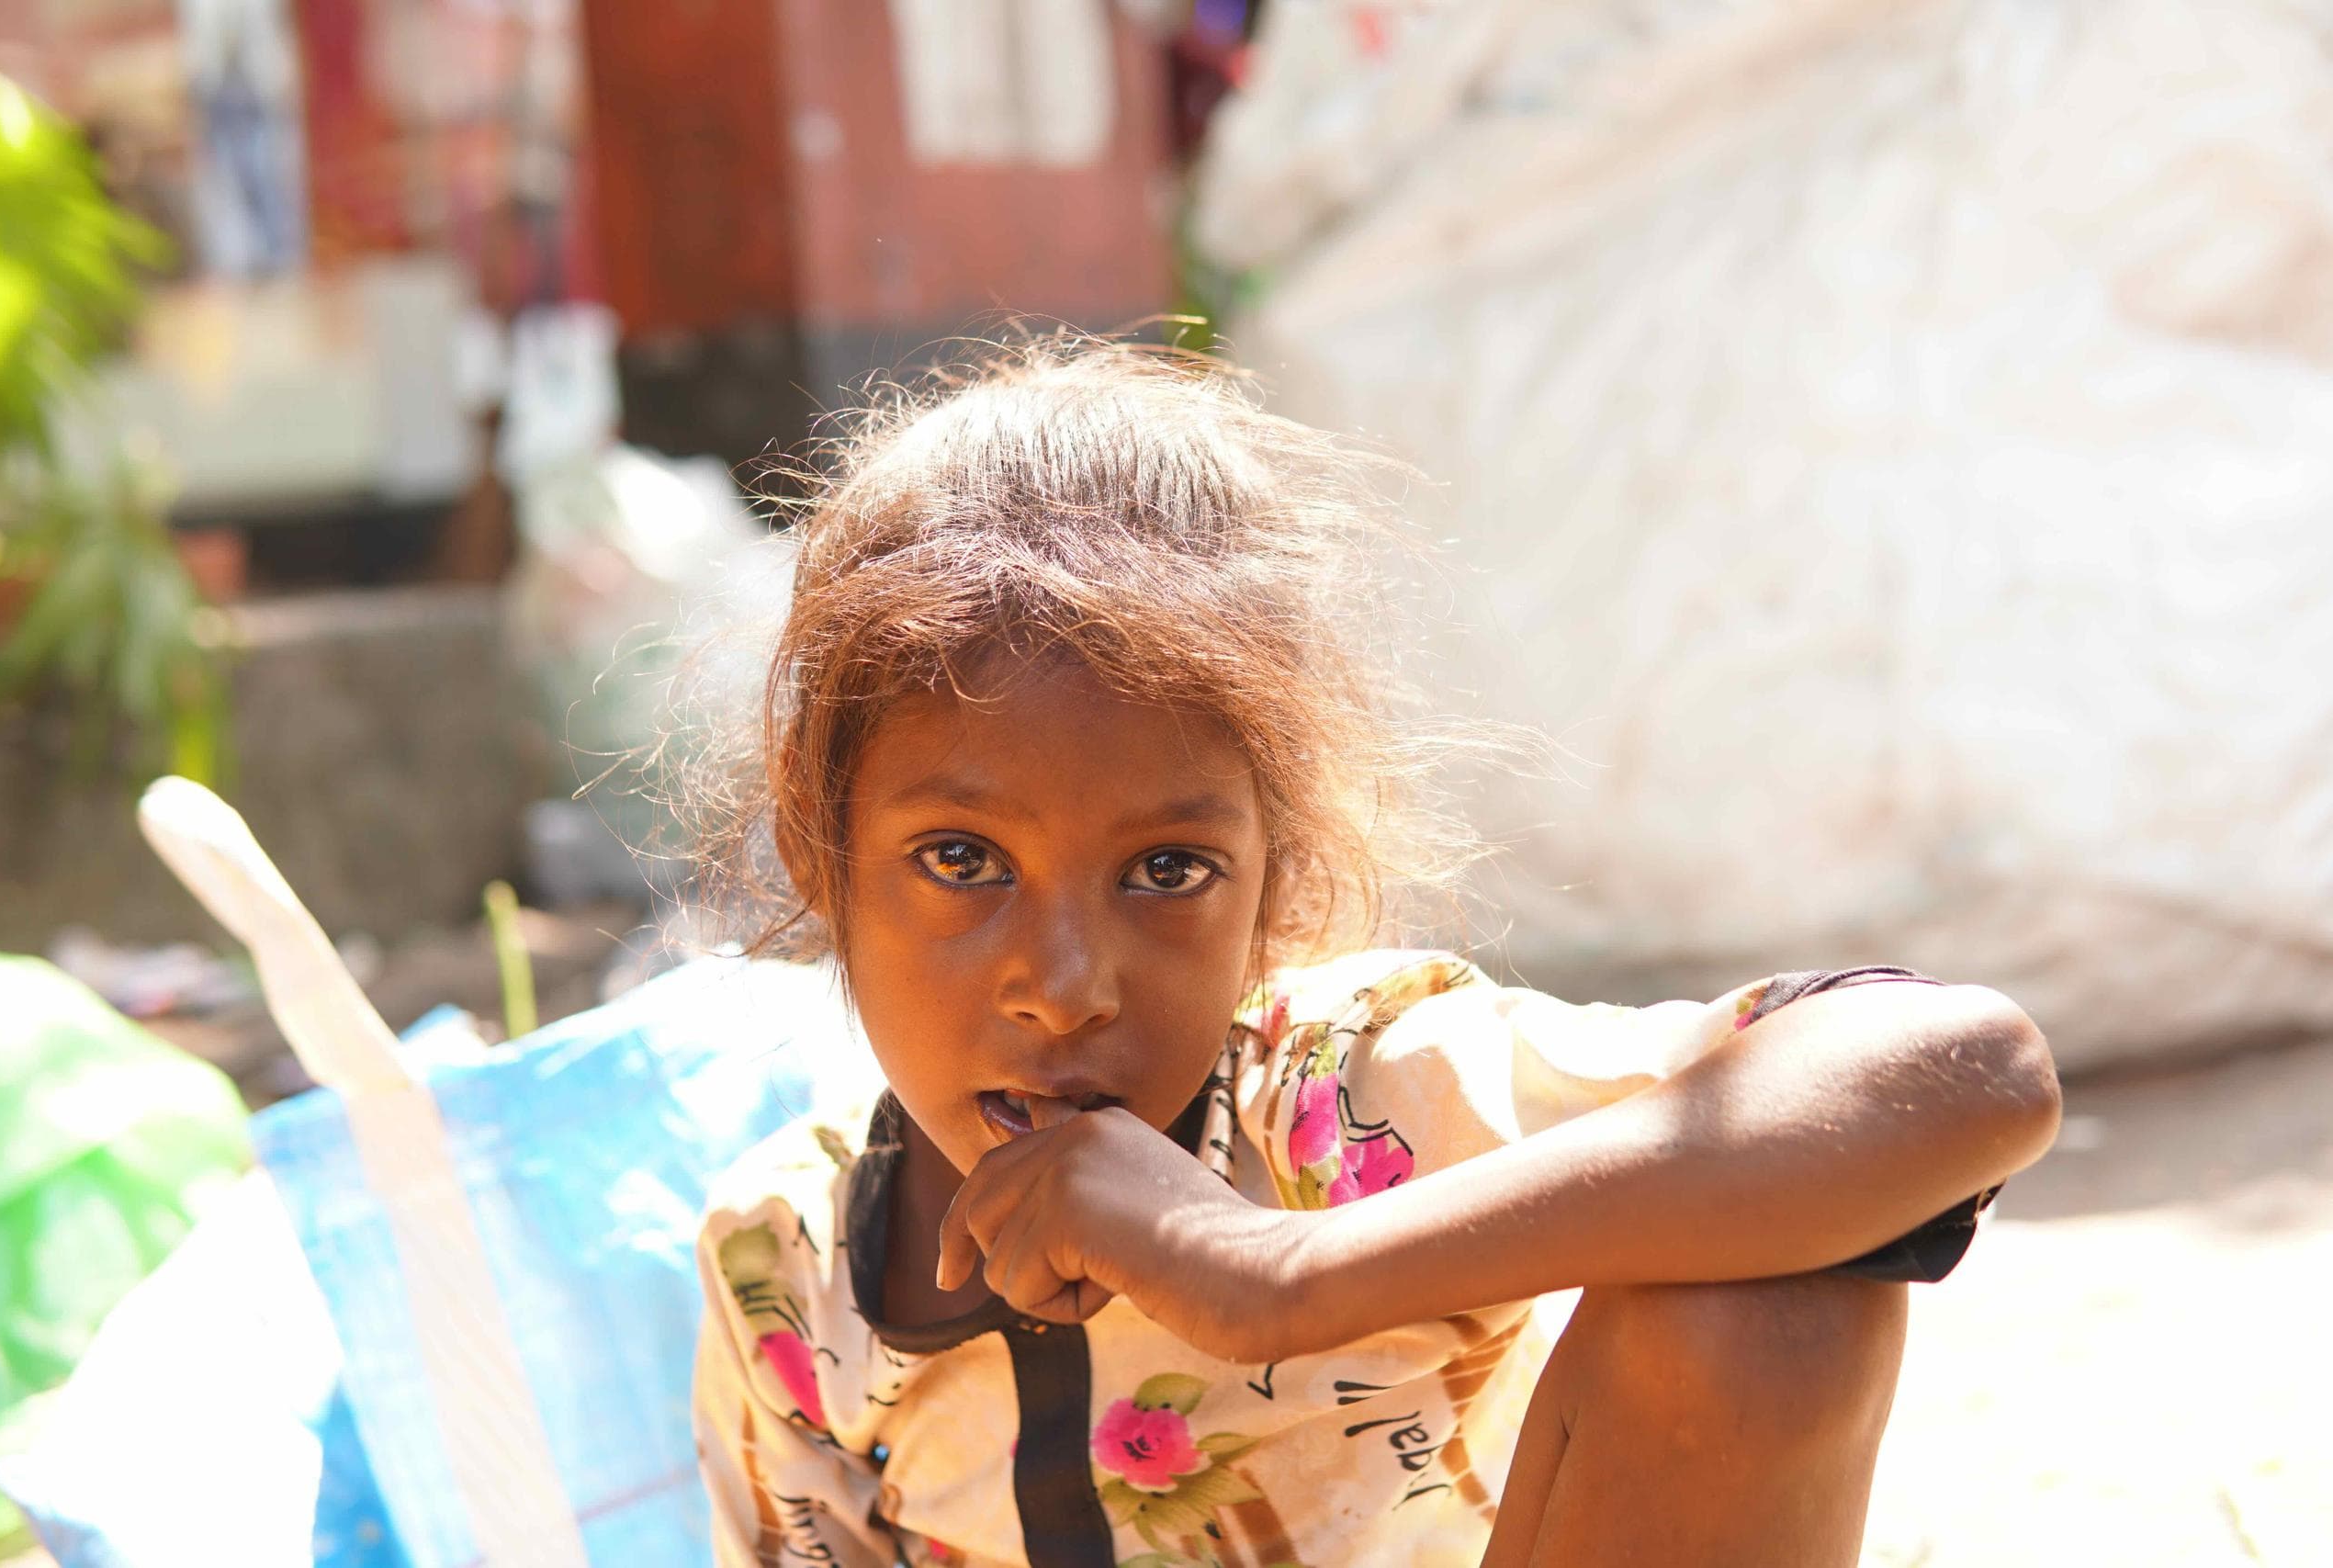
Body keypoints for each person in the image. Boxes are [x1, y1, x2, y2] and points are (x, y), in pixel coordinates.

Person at [687, 340, 2061, 1568]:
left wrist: (1278, 1272)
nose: (1066, 986)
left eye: (1168, 872)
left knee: (1768, 1301)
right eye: (961, 859)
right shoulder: (791, 1277)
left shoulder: (1343, 1107)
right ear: (820, 851)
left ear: (1272, 888)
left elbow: (1963, 1068)